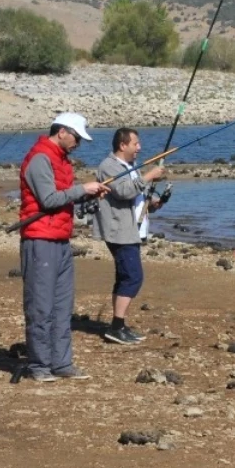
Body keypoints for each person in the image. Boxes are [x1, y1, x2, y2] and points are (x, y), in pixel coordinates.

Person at [18, 112, 108, 382]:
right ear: (62, 132)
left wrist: (86, 195)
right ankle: (39, 365)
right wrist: (83, 189)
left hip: (60, 240)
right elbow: (48, 199)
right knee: (41, 307)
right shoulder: (40, 159)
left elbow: (63, 200)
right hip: (39, 240)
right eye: (77, 137)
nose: (78, 143)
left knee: (62, 306)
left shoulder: (61, 160)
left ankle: (62, 363)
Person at [92, 127, 166, 345]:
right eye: (136, 144)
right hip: (119, 231)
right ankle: (116, 326)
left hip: (132, 229)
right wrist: (150, 175)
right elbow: (123, 191)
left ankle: (119, 325)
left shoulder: (131, 166)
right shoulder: (108, 166)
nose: (139, 148)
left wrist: (151, 203)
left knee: (124, 276)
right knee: (133, 277)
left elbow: (134, 194)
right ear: (122, 145)